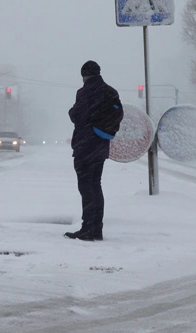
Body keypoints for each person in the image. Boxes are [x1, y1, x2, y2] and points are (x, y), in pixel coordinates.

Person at [64, 60, 121, 241]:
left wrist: (72, 111)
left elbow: (76, 115)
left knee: (86, 187)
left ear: (84, 75)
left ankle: (87, 229)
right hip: (101, 145)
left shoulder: (85, 92)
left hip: (85, 145)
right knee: (96, 185)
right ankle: (97, 229)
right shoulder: (111, 92)